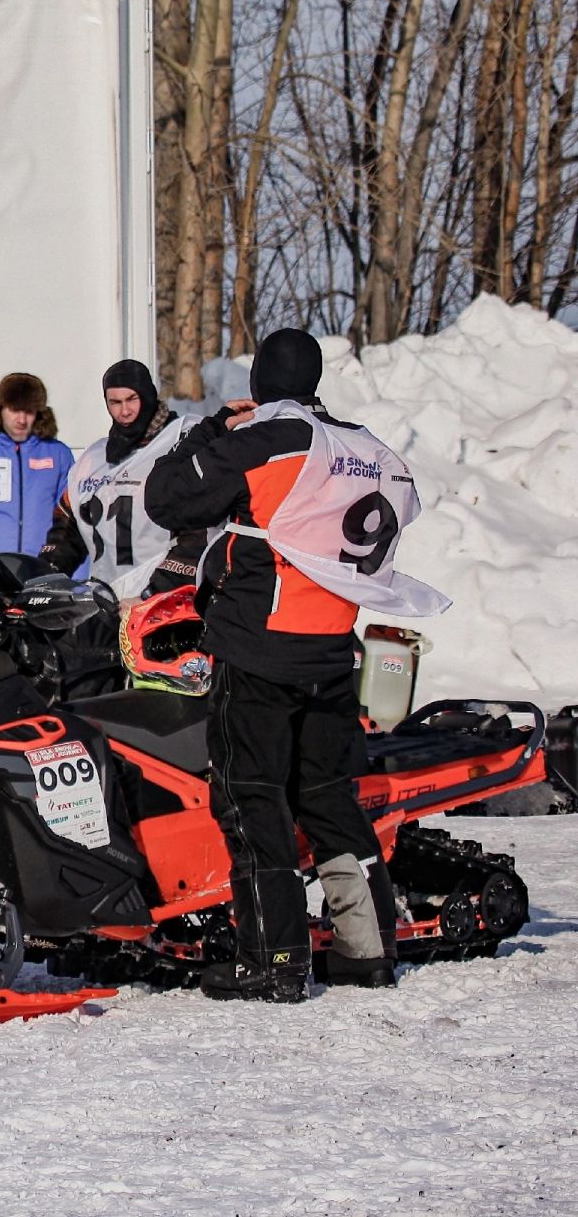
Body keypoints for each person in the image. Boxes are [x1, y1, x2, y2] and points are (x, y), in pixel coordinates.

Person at [144, 328, 449, 1003]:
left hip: (260, 646)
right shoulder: (367, 447)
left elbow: (167, 498)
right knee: (329, 799)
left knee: (252, 799)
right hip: (333, 648)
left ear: (258, 386)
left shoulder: (267, 440)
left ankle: (273, 958)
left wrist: (207, 432)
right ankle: (366, 951)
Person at [40, 358, 206, 600]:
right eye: (115, 402)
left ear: (147, 396)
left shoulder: (181, 443)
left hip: (166, 599)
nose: (124, 411)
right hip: (106, 599)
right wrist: (48, 571)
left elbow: (198, 528)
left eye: (132, 399)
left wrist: (159, 589)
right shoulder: (94, 458)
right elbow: (68, 527)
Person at [0, 372, 73, 557]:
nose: (21, 420)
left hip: (41, 567)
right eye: (14, 410)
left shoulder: (58, 454)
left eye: (29, 412)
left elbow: (70, 518)